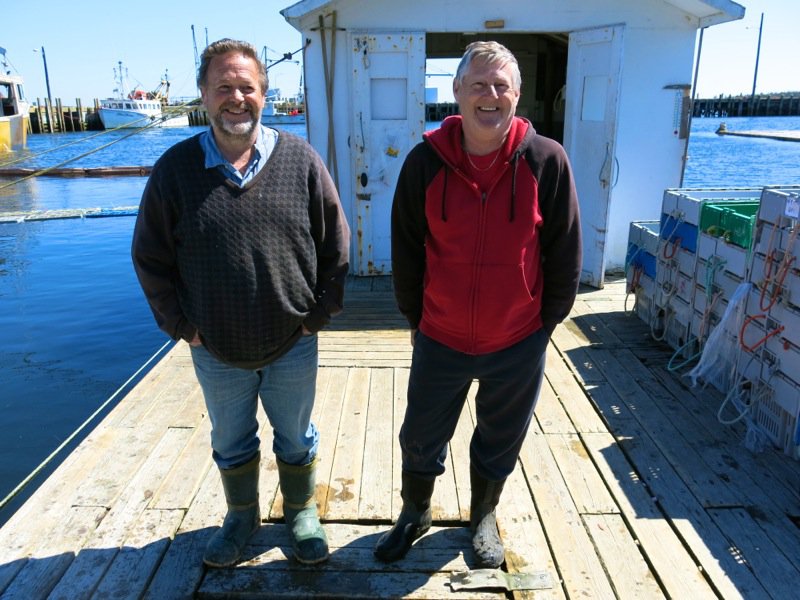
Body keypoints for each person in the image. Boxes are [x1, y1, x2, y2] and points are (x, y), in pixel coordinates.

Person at [131, 38, 350, 567]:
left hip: (292, 341)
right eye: (223, 86)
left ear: (264, 94)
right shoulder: (175, 169)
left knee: (296, 436)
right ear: (204, 95)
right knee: (231, 440)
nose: (236, 97)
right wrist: (183, 327)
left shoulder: (301, 159)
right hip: (215, 347)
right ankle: (241, 516)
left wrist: (318, 316)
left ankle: (301, 511)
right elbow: (149, 258)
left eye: (246, 87)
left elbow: (337, 246)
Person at [375, 41, 582, 568]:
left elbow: (565, 252)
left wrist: (542, 326)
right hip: (441, 335)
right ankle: (414, 513)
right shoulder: (424, 161)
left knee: (500, 436)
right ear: (457, 92)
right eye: (478, 85)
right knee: (420, 435)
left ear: (516, 94)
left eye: (501, 86)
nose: (490, 95)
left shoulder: (547, 160)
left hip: (517, 338)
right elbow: (406, 249)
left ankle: (483, 517)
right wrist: (418, 319)